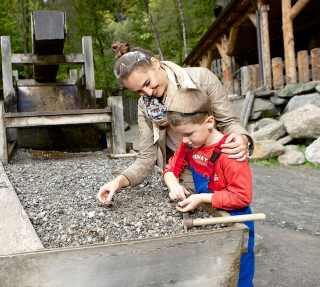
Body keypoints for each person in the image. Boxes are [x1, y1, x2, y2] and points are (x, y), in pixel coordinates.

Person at [97, 40, 253, 204]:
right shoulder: (144, 105)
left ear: (155, 63)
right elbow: (146, 157)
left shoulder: (202, 79)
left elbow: (229, 121)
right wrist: (118, 181)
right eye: (140, 91)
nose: (149, 93)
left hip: (217, 167)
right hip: (183, 170)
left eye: (148, 83)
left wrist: (242, 137)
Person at [163, 88, 254, 286]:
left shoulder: (230, 152)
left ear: (210, 122)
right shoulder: (189, 145)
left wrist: (201, 198)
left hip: (237, 219)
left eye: (188, 134)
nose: (184, 141)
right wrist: (174, 186)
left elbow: (242, 197)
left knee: (238, 272)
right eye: (180, 136)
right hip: (211, 215)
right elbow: (170, 169)